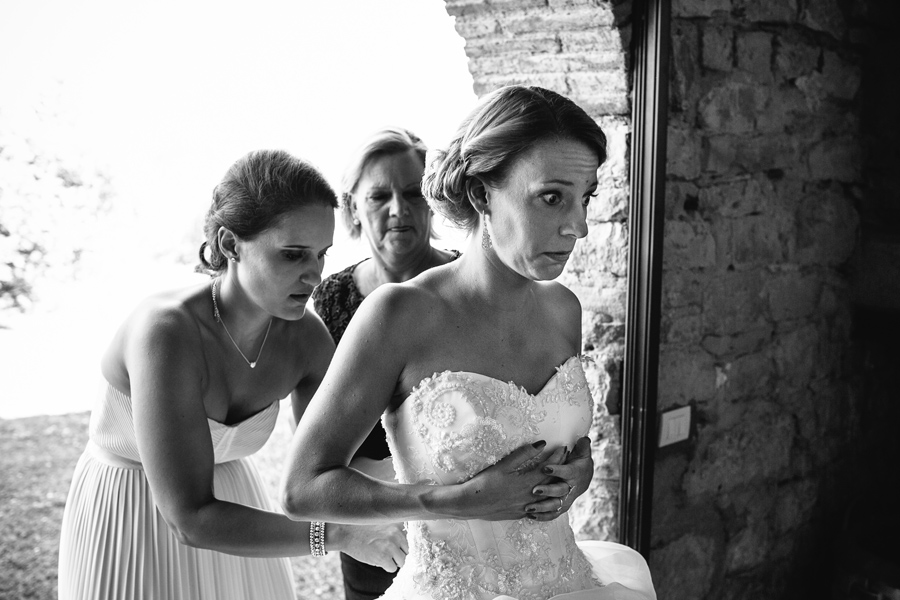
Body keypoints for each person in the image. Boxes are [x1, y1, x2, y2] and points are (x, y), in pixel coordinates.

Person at [281, 86, 657, 599]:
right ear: (481, 194)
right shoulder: (397, 315)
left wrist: (577, 471)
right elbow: (303, 488)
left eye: (584, 197)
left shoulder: (563, 309)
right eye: (552, 197)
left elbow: (552, 443)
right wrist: (451, 501)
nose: (579, 227)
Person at [57, 149, 406, 600]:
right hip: (132, 514)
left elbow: (329, 466)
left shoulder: (306, 340)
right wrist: (336, 535)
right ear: (229, 244)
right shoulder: (166, 333)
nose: (314, 276)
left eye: (321, 255)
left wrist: (430, 476)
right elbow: (190, 518)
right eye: (292, 255)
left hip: (240, 513)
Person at [312, 127, 460, 599]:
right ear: (353, 207)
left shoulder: (467, 286)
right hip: (370, 527)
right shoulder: (332, 298)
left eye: (413, 192)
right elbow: (316, 443)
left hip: (463, 514)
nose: (398, 209)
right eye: (379, 196)